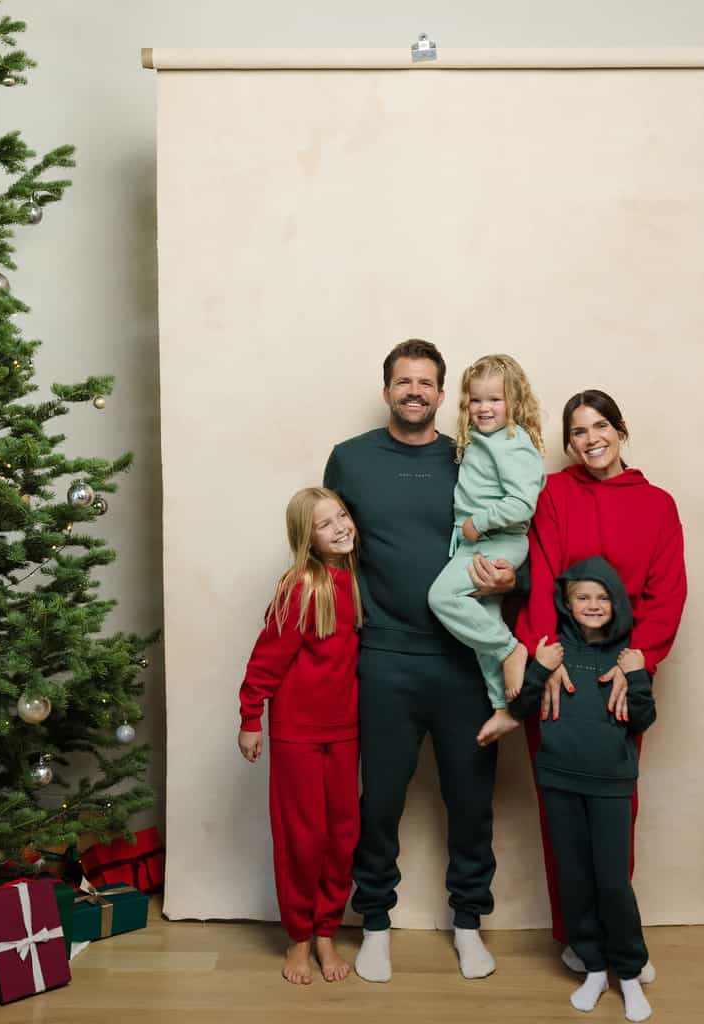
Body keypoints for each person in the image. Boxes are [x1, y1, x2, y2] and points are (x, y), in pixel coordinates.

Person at [476, 389, 686, 980]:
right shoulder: (557, 494)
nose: (590, 439)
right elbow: (541, 572)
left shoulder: (659, 505)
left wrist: (636, 660)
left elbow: (668, 593)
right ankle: (576, 935)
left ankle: (620, 941)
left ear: (620, 431)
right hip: (561, 674)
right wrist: (547, 655)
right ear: (567, 443)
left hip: (623, 676)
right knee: (560, 815)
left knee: (617, 813)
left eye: (600, 427)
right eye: (578, 431)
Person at [324, 339, 512, 983]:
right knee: (379, 801)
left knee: (471, 801)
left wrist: (507, 583)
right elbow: (329, 553)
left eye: (426, 382)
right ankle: (374, 923)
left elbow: (515, 533)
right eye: (403, 381)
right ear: (387, 391)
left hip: (465, 662)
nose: (414, 391)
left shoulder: (473, 455)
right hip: (384, 659)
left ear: (441, 393)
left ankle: (468, 924)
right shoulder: (349, 461)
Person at [511, 556, 655, 1023]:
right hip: (558, 780)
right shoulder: (552, 651)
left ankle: (629, 974)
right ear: (567, 603)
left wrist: (635, 675)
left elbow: (643, 718)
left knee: (613, 882)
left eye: (602, 597)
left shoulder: (629, 655)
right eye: (582, 597)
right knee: (574, 879)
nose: (593, 605)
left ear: (616, 603)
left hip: (612, 784)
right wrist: (538, 667)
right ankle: (594, 967)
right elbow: (526, 708)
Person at [237, 487, 363, 985]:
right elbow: (267, 656)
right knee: (303, 838)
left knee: (342, 836)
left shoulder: (355, 581)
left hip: (345, 730)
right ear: (306, 538)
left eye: (343, 516)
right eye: (325, 524)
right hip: (297, 734)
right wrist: (250, 718)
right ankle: (300, 937)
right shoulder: (302, 585)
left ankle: (328, 930)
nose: (340, 528)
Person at [427, 354, 545, 739]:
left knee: (443, 598)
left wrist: (478, 522)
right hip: (478, 543)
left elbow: (522, 503)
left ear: (513, 402)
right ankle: (503, 707)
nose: (483, 408)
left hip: (497, 542)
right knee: (484, 628)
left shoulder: (512, 442)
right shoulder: (485, 439)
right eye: (476, 400)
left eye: (494, 400)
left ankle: (511, 649)